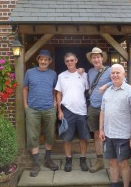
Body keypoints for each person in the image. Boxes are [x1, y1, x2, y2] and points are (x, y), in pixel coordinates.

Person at [99, 64, 131, 187]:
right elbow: (102, 111)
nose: (115, 75)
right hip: (108, 134)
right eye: (113, 73)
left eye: (118, 73)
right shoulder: (107, 91)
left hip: (123, 135)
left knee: (124, 164)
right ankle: (114, 184)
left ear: (124, 74)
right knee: (112, 162)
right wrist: (101, 129)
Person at [23, 49, 59, 177]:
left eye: (46, 59)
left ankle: (48, 160)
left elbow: (55, 89)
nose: (43, 61)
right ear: (38, 60)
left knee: (49, 134)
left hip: (49, 108)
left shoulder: (53, 74)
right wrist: (25, 105)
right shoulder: (29, 72)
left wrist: (54, 101)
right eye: (41, 59)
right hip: (33, 109)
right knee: (33, 136)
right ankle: (36, 163)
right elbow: (25, 88)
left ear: (49, 61)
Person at [55, 52, 91, 172]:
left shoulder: (84, 75)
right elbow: (58, 93)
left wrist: (82, 70)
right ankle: (68, 160)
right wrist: (59, 110)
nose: (69, 62)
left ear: (76, 60)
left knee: (83, 138)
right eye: (67, 61)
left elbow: (88, 90)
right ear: (65, 62)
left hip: (82, 111)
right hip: (67, 110)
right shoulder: (61, 76)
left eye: (71, 60)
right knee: (67, 138)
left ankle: (83, 159)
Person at [86, 47, 111, 173]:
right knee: (96, 134)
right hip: (93, 107)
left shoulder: (110, 70)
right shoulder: (89, 72)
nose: (96, 59)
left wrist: (107, 85)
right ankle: (100, 160)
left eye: (98, 57)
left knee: (110, 134)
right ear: (91, 59)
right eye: (93, 57)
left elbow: (122, 81)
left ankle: (113, 162)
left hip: (107, 108)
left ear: (102, 58)